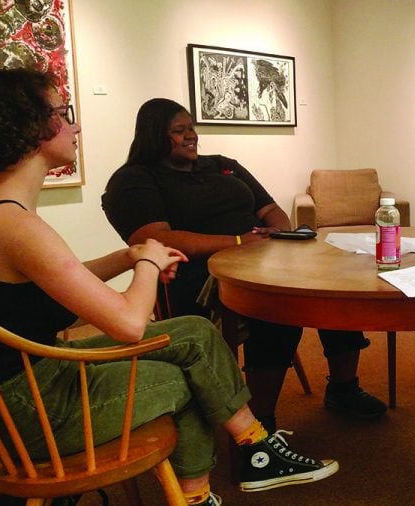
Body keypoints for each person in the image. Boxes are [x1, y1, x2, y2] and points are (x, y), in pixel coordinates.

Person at [0, 68, 337, 506]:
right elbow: (130, 325)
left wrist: (128, 257)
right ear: (29, 127)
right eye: (63, 113)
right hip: (33, 408)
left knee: (194, 331)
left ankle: (255, 450)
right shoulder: (16, 224)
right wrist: (148, 264)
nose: (75, 125)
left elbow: (52, 285)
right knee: (185, 377)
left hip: (22, 382)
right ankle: (206, 489)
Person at [101, 98, 386, 434]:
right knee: (276, 309)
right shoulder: (135, 180)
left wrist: (280, 233)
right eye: (179, 131)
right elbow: (156, 240)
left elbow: (270, 209)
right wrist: (238, 242)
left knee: (334, 286)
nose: (191, 136)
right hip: (200, 275)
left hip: (267, 257)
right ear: (153, 136)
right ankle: (260, 422)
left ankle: (342, 388)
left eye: (192, 127)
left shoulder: (222, 165)